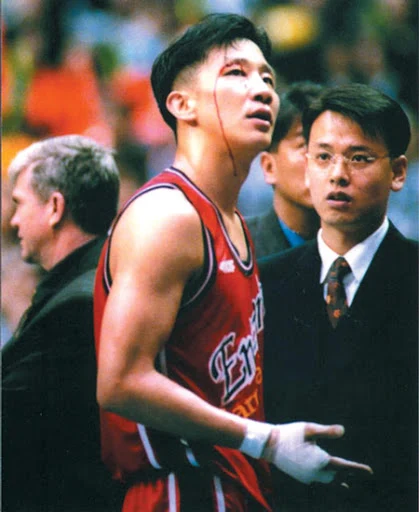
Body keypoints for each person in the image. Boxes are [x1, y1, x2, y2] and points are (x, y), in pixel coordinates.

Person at [93, 14, 371, 512]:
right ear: (182, 104)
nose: (262, 89)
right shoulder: (168, 216)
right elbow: (120, 382)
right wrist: (266, 441)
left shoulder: (236, 222)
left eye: (267, 77)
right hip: (180, 491)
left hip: (234, 487)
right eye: (236, 73)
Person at [260, 83, 418, 511]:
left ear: (398, 172)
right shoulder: (267, 281)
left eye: (359, 158)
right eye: (323, 156)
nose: (337, 174)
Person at [2, 135, 125, 512]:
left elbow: (12, 418)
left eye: (20, 203)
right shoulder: (103, 276)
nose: (13, 220)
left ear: (55, 207)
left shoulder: (76, 306)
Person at [246, 81, 323, 258]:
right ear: (269, 167)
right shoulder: (238, 249)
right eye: (305, 145)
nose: (322, 159)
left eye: (329, 148)